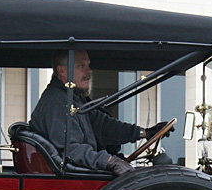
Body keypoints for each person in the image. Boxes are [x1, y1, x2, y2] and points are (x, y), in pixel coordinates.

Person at [30, 49, 172, 175]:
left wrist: (144, 133)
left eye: (88, 65)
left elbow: (104, 126)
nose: (89, 71)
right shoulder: (58, 104)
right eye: (81, 66)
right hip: (75, 181)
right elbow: (72, 151)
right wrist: (110, 161)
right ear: (62, 70)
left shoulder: (74, 99)